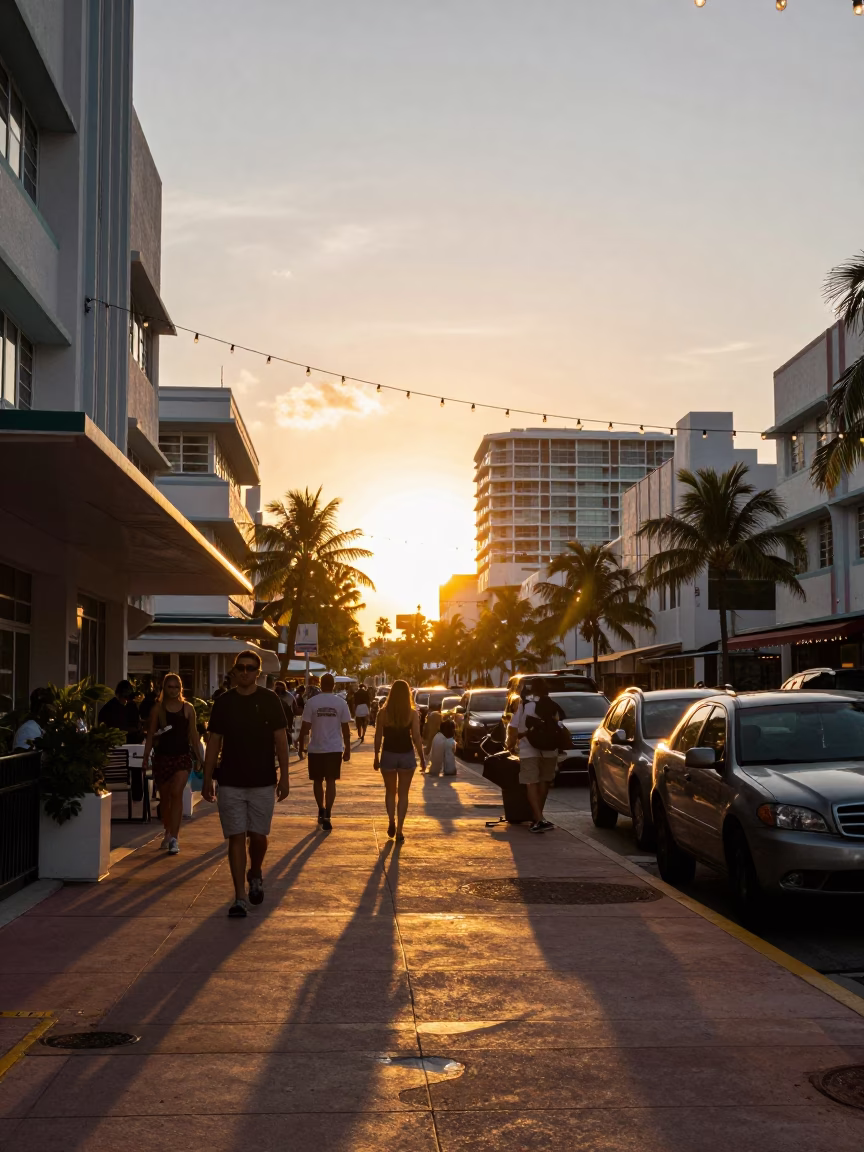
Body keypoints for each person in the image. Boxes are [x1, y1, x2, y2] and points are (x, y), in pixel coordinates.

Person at [203, 650, 290, 918]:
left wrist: (285, 776)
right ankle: (239, 896)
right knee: (236, 836)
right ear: (234, 670)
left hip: (262, 780)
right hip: (230, 780)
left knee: (259, 836)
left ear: (258, 673)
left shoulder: (269, 700)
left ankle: (255, 871)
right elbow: (214, 741)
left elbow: (281, 740)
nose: (244, 672)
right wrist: (207, 778)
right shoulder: (224, 703)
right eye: (240, 667)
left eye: (250, 668)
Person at [141, 674, 202, 855]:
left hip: (182, 757)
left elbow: (194, 735)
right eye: (170, 687)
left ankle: (174, 838)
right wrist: (145, 757)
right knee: (165, 799)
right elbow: (150, 734)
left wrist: (201, 758)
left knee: (177, 793)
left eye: (176, 687)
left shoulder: (188, 709)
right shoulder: (157, 709)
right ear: (164, 689)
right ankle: (168, 830)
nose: (173, 690)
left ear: (181, 689)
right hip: (162, 758)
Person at [507, 678, 565, 833]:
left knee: (531, 783)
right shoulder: (552, 705)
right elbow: (559, 726)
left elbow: (513, 726)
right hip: (550, 749)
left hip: (528, 748)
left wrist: (510, 745)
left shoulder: (525, 704)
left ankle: (539, 819)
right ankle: (538, 817)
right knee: (544, 782)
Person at [373, 678, 426, 842]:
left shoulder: (383, 713)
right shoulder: (412, 714)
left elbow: (378, 736)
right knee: (403, 794)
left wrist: (376, 756)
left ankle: (391, 821)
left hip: (388, 754)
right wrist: (422, 758)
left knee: (390, 792)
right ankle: (400, 830)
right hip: (406, 755)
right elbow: (417, 737)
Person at [298, 672, 351, 832]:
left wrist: (301, 745)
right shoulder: (340, 703)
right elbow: (346, 728)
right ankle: (328, 812)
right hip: (334, 748)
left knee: (317, 781)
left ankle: (321, 808)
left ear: (321, 684)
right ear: (333, 685)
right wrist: (347, 748)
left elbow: (305, 728)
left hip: (316, 748)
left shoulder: (312, 703)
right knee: (331, 781)